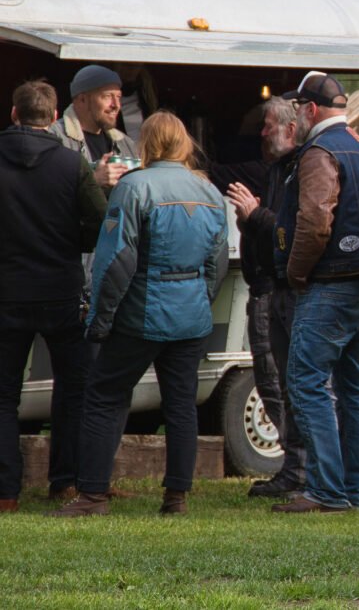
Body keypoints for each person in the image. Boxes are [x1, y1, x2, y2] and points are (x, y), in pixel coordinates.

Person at [49, 111, 228, 517]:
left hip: (141, 312)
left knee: (105, 396)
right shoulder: (209, 191)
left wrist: (100, 317)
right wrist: (200, 298)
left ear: (147, 143)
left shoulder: (134, 187)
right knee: (181, 405)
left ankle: (92, 494)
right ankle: (176, 496)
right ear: (183, 143)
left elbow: (116, 262)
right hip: (191, 314)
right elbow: (216, 264)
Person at [271, 71, 359, 514]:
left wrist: (297, 272)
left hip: (330, 285)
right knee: (355, 388)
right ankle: (355, 491)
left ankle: (326, 490)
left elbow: (316, 219)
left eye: (299, 110)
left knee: (306, 383)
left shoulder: (319, 152)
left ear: (311, 110)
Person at [0, 81, 106, 513]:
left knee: (4, 396)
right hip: (61, 288)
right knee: (72, 389)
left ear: (14, 114)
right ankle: (65, 481)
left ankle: (6, 491)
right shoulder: (71, 163)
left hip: (7, 290)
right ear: (55, 115)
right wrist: (72, 242)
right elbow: (100, 220)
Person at [226, 96, 306, 497]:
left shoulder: (300, 170)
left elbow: (293, 234)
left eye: (269, 125)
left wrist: (255, 215)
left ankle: (302, 470)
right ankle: (297, 468)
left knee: (278, 382)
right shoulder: (277, 170)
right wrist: (249, 220)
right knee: (274, 382)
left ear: (290, 129)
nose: (262, 132)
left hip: (278, 290)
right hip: (265, 288)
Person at [50, 64, 137, 193]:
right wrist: (94, 181)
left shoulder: (125, 143)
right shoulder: (54, 138)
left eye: (118, 97)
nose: (116, 105)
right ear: (82, 100)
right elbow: (46, 192)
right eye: (108, 96)